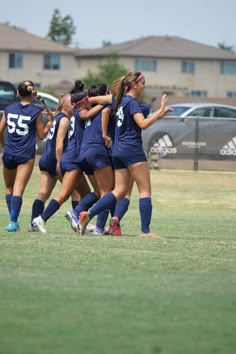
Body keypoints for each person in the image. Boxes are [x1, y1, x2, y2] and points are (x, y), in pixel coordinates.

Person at [78, 71, 172, 238]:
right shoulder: (132, 102)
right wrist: (159, 112)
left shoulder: (119, 101)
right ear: (134, 84)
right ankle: (146, 231)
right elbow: (142, 124)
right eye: (143, 82)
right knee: (144, 191)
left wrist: (159, 115)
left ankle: (88, 214)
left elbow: (93, 100)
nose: (145, 85)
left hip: (118, 151)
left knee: (119, 190)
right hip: (132, 150)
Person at [32, 81, 103, 234]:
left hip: (72, 158)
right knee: (65, 194)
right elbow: (59, 142)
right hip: (73, 160)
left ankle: (78, 221)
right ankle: (41, 219)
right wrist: (106, 102)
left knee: (86, 193)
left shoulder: (69, 115)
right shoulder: (78, 114)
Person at [0, 80, 54, 232]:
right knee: (18, 188)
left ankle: (13, 222)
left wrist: (5, 146)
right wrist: (50, 123)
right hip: (25, 155)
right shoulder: (36, 111)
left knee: (9, 187)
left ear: (18, 93)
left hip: (9, 153)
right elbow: (42, 135)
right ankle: (12, 222)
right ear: (32, 93)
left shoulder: (9, 108)